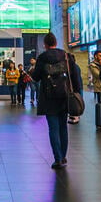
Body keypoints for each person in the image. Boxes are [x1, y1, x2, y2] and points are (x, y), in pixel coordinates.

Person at [33, 33, 79, 169]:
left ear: (45, 44)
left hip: (49, 97)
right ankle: (63, 157)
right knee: (63, 127)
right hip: (64, 96)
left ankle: (57, 158)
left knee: (53, 128)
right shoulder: (66, 56)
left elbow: (36, 77)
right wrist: (76, 93)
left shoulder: (42, 58)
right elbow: (75, 76)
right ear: (56, 42)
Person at [67, 53, 83, 124]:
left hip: (76, 88)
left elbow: (76, 79)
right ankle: (75, 115)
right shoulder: (76, 66)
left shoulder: (73, 67)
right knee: (76, 101)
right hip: (78, 87)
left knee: (75, 102)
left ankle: (75, 115)